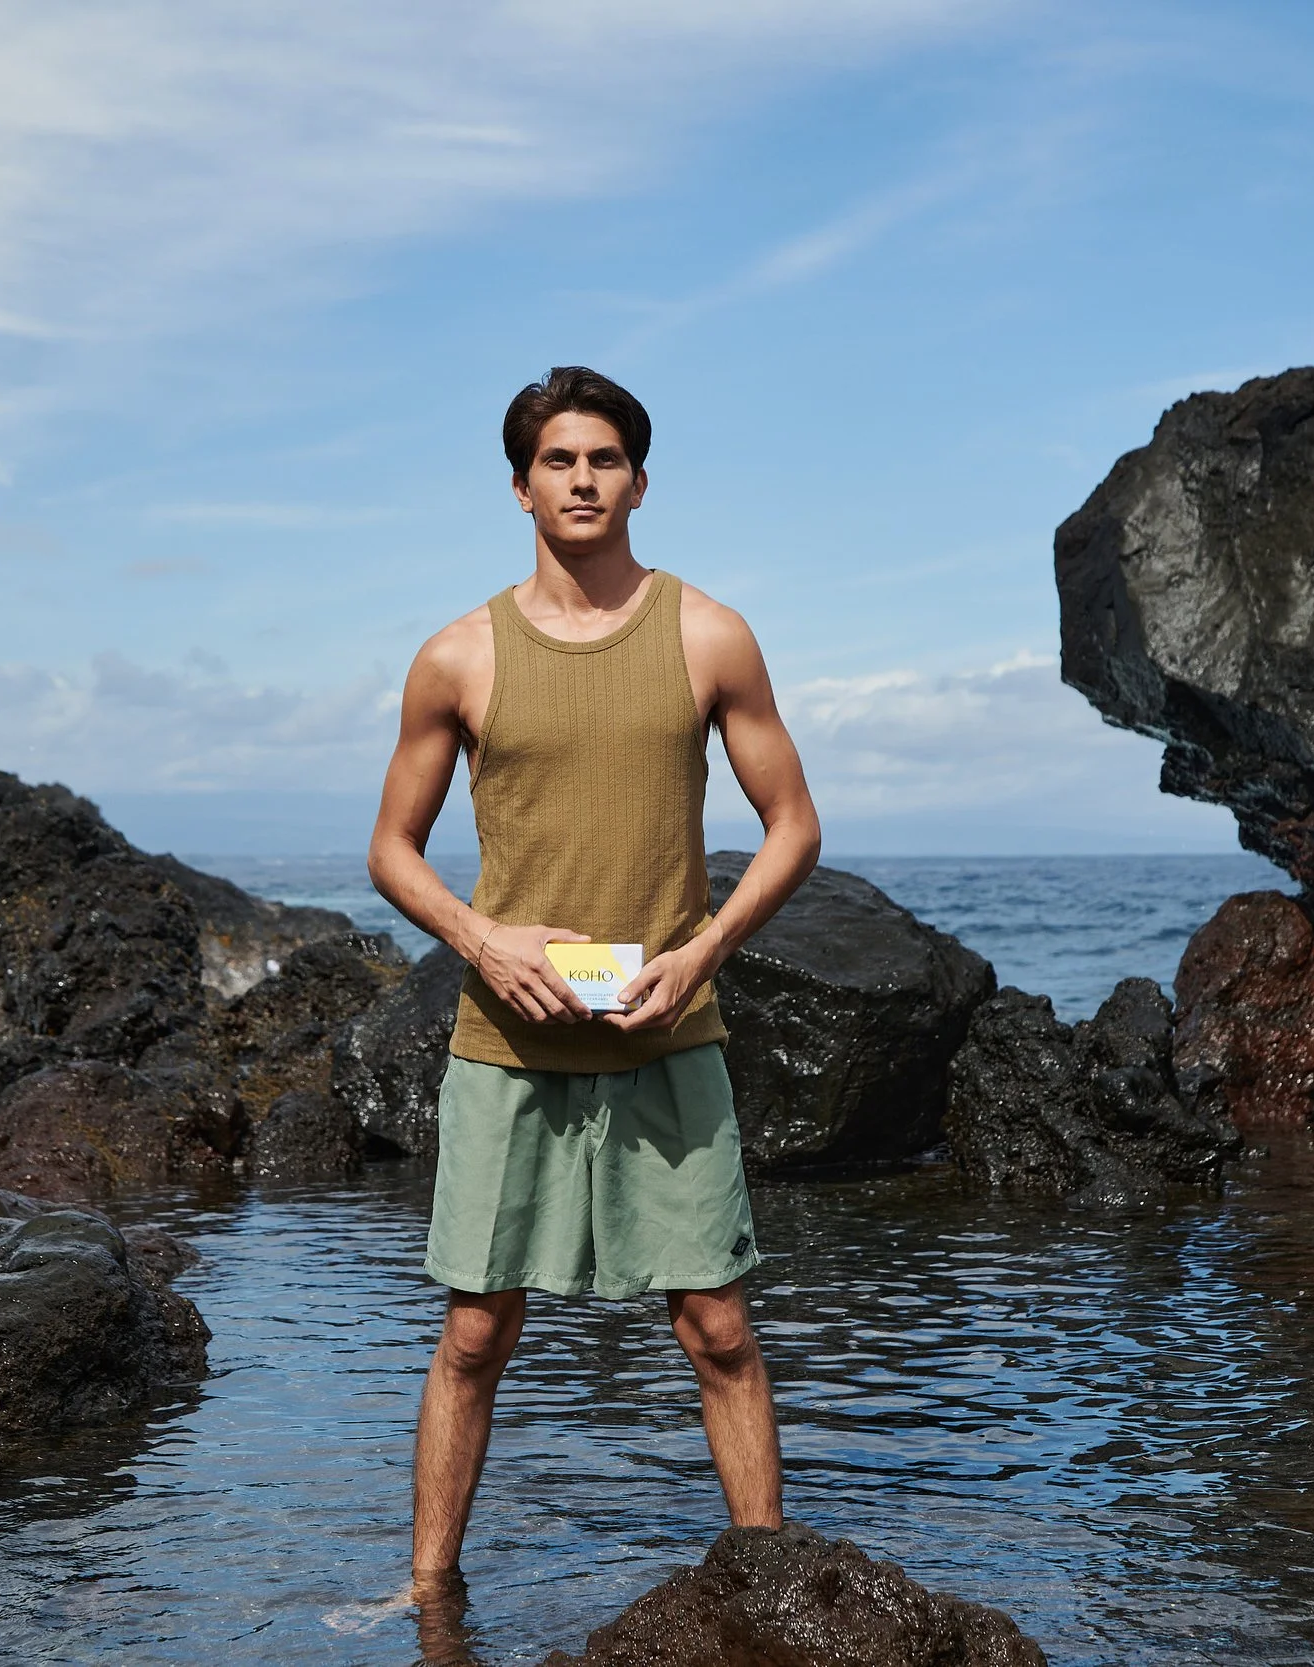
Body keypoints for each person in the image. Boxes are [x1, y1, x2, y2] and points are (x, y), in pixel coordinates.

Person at [367, 366, 823, 1595]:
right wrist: (483, 940)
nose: (582, 480)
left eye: (604, 459)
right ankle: (427, 1595)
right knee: (474, 1333)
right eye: (558, 461)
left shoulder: (707, 634)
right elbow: (391, 850)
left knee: (718, 1326)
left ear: (638, 481)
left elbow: (792, 826)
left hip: (667, 1030)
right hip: (507, 1040)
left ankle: (768, 1586)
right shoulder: (458, 655)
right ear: (520, 487)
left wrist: (703, 951)